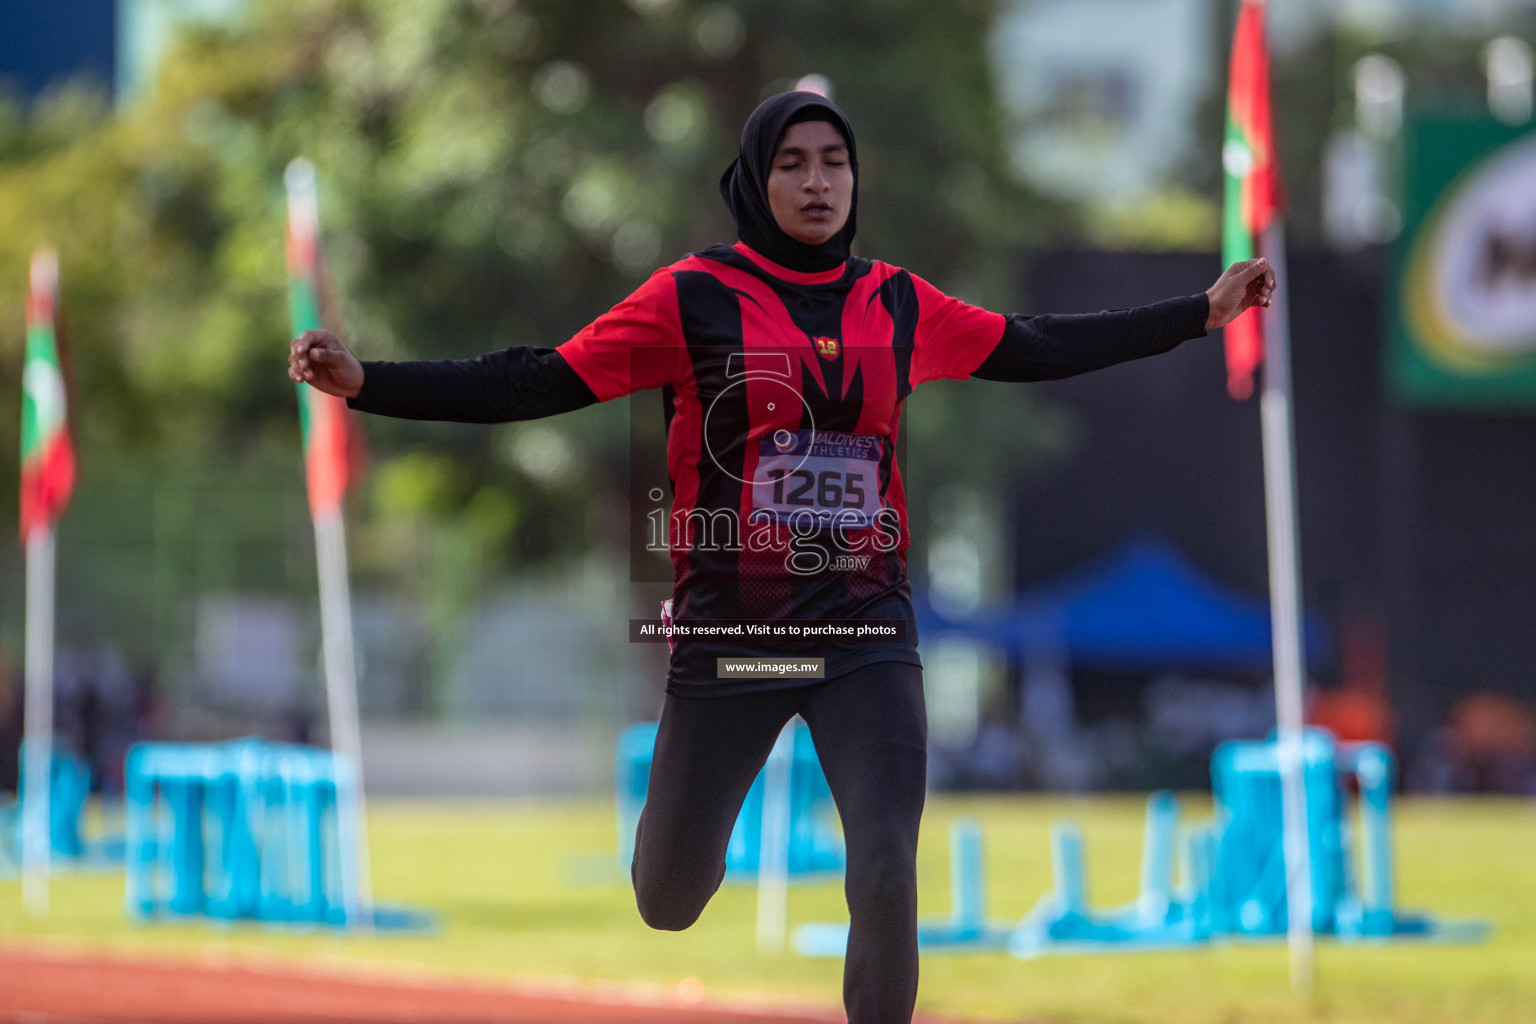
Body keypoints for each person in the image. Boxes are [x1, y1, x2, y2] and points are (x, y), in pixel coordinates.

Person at [290, 91, 1275, 1023]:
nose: (817, 183)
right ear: (757, 179)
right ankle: (683, 846)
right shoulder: (694, 298)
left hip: (863, 629)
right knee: (668, 897)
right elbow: (535, 380)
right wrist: (370, 382)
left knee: (886, 862)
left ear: (855, 180)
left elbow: (1038, 342)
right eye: (795, 164)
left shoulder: (895, 303)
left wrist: (1200, 312)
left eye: (835, 163)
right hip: (736, 638)